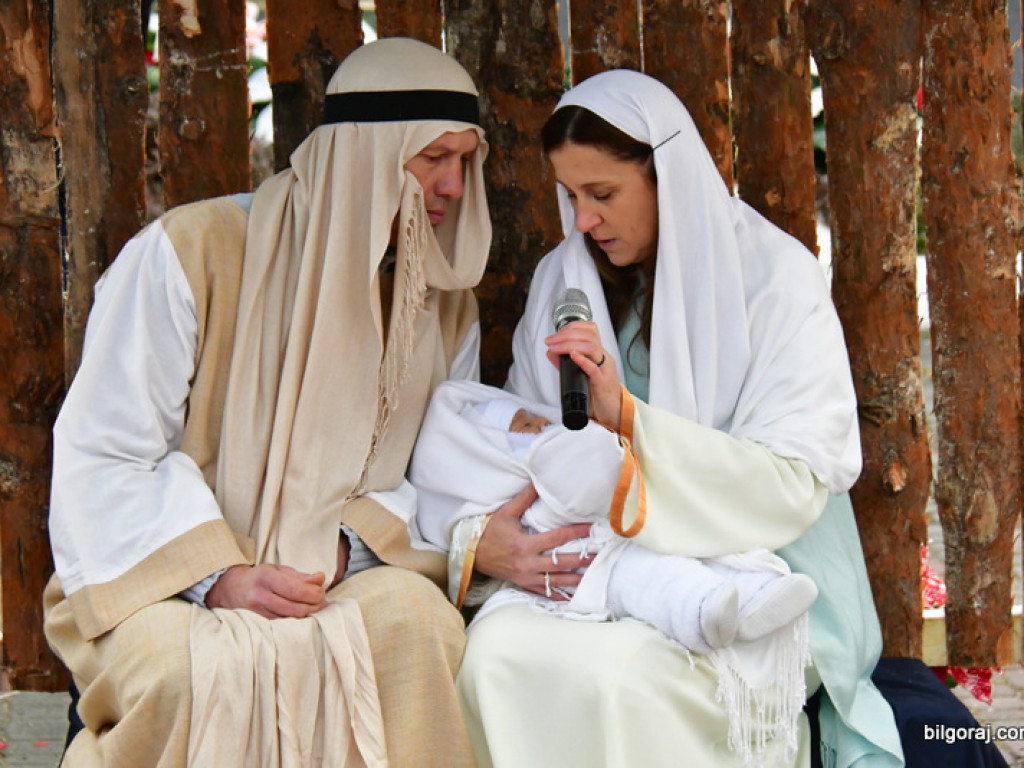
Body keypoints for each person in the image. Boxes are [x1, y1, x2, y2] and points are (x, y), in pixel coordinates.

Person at [43, 38, 492, 767]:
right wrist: (218, 577)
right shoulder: (191, 250)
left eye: (466, 160)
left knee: (418, 629)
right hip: (171, 581)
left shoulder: (442, 304)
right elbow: (105, 451)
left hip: (338, 576)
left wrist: (347, 549)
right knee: (180, 669)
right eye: (433, 157)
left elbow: (440, 472)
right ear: (365, 155)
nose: (454, 184)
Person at [453, 70, 906, 768]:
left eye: (603, 194)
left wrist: (628, 419)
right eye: (570, 196)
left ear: (667, 176)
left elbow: (792, 485)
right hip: (603, 566)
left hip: (760, 573)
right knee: (493, 656)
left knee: (623, 678)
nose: (583, 221)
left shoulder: (775, 279)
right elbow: (530, 442)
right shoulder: (562, 280)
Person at [411, 378, 819, 659]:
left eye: (538, 418)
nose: (542, 424)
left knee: (683, 551)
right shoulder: (521, 469)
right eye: (526, 425)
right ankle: (702, 614)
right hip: (587, 564)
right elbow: (593, 466)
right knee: (652, 580)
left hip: (631, 527)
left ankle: (752, 593)